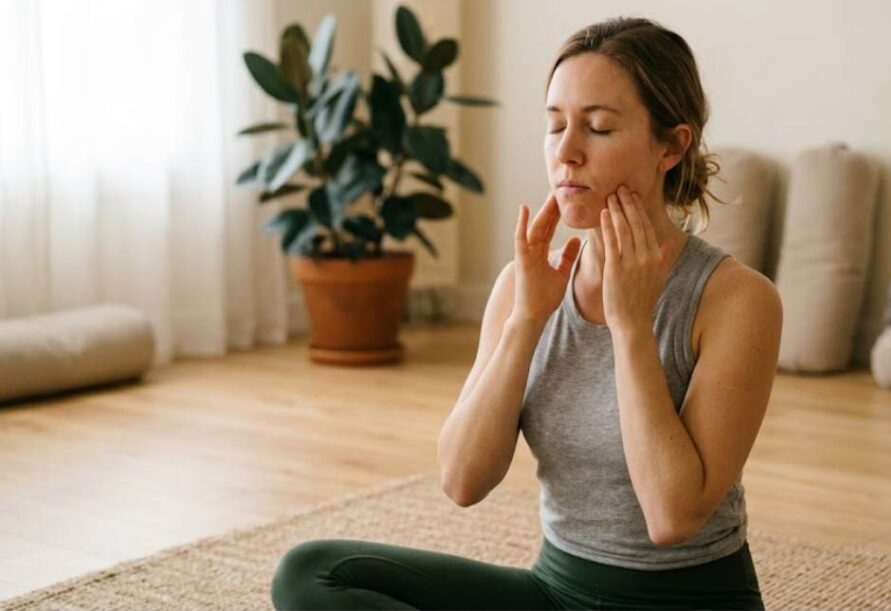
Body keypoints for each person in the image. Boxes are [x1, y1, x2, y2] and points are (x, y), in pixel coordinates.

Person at [269, 15, 782, 611]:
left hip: (684, 603)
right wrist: (526, 321)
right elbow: (463, 480)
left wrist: (631, 326)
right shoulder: (525, 287)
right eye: (555, 125)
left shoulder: (737, 300)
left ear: (671, 145)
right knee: (311, 573)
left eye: (597, 128)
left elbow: (673, 515)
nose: (566, 152)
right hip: (556, 591)